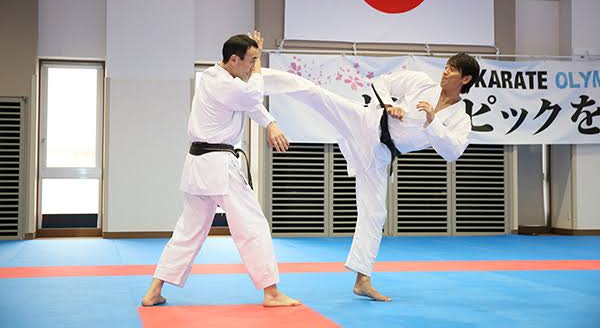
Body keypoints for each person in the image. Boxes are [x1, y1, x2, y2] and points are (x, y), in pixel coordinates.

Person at [262, 53, 480, 302]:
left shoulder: (460, 118)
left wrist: (433, 122)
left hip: (380, 154)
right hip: (366, 123)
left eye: (452, 70)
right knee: (316, 94)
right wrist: (388, 104)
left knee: (376, 213)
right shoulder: (421, 82)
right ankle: (258, 76)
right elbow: (382, 82)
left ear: (465, 79)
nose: (445, 72)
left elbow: (451, 152)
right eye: (446, 66)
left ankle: (362, 279)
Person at [142, 32, 300, 307]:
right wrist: (271, 120)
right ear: (234, 59)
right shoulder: (227, 86)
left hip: (197, 167)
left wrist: (271, 122)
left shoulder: (214, 77)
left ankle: (154, 290)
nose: (253, 67)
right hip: (218, 167)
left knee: (187, 232)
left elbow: (249, 103)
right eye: (250, 61)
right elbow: (252, 96)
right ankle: (272, 292)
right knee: (252, 226)